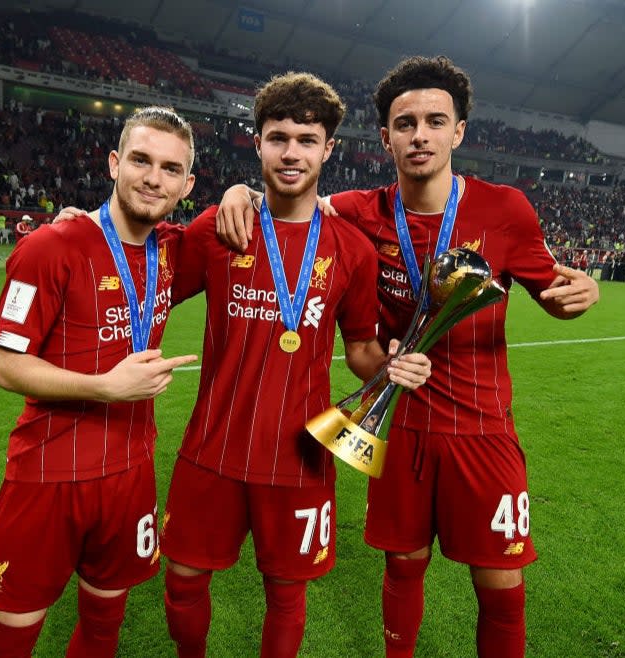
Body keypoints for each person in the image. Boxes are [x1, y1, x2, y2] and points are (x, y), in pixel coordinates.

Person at [216, 55, 599, 658]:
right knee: (402, 570)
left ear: (459, 132)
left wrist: (582, 293)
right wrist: (237, 189)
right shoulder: (357, 211)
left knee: (502, 587)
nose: (420, 134)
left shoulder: (506, 210)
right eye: (406, 123)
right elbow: (290, 192)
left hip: (483, 428)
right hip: (401, 425)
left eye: (435, 121)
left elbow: (554, 292)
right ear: (386, 136)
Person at [160, 72, 431, 658]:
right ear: (255, 143)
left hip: (301, 453)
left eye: (307, 140)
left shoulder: (352, 249)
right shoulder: (218, 228)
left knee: (287, 593)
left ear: (328, 149)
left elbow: (360, 349)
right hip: (212, 448)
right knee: (182, 579)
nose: (291, 152)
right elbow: (146, 287)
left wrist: (390, 366)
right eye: (277, 137)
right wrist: (83, 226)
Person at [0, 106, 199, 658]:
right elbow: (7, 366)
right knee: (13, 631)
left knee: (105, 622)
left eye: (171, 169)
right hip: (49, 475)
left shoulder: (172, 250)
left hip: (130, 472)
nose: (154, 178)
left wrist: (243, 192)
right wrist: (106, 386)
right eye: (141, 161)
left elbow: (251, 218)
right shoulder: (50, 247)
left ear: (186, 184)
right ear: (114, 163)